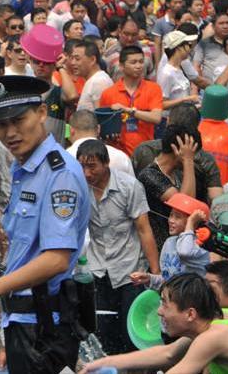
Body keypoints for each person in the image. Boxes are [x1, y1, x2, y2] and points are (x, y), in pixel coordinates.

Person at [0, 75, 91, 373]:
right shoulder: (24, 167)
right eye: (1, 125)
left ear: (42, 113)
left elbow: (56, 259)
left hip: (43, 327)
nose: (10, 132)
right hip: (23, 321)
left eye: (18, 120)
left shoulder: (59, 173)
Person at [76, 139, 159, 355]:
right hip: (98, 270)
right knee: (103, 332)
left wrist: (155, 274)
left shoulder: (129, 187)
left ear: (106, 163)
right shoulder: (79, 189)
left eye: (92, 166)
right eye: (82, 166)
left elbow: (144, 230)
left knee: (130, 332)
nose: (86, 173)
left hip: (130, 271)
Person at [81, 273, 228, 374]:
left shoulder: (212, 338)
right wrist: (100, 364)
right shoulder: (221, 318)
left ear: (190, 314)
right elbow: (168, 354)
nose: (159, 311)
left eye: (165, 304)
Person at [137, 125, 201, 249]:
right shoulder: (149, 174)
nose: (194, 158)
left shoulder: (178, 174)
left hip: (177, 247)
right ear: (177, 149)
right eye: (192, 153)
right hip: (158, 251)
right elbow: (185, 206)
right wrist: (188, 160)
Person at [98, 45, 164, 157]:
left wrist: (128, 110)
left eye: (141, 62)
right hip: (118, 154)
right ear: (121, 66)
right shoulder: (108, 93)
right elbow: (102, 125)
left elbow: (156, 118)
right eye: (133, 62)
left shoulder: (154, 88)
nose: (139, 66)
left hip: (146, 153)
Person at [66, 110, 135, 175]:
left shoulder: (63, 157)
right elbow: (132, 186)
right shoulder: (121, 157)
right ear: (98, 129)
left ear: (70, 130)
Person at [72, 39, 112, 111]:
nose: (73, 62)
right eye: (72, 58)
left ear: (92, 60)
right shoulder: (93, 80)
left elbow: (102, 117)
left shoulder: (99, 82)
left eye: (77, 59)